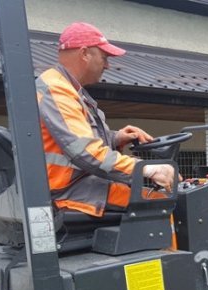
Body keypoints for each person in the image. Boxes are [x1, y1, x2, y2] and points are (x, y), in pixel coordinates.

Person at [36, 22, 176, 217]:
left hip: (78, 183)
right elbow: (86, 152)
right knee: (160, 203)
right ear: (85, 54)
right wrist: (147, 169)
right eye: (104, 57)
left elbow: (74, 140)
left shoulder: (69, 89)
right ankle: (169, 249)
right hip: (67, 189)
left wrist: (115, 138)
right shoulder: (57, 90)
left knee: (144, 195)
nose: (108, 65)